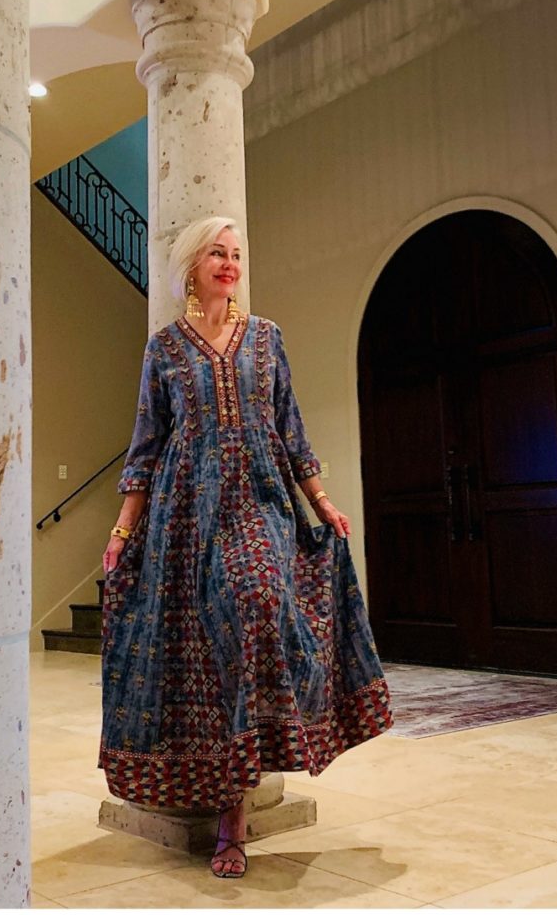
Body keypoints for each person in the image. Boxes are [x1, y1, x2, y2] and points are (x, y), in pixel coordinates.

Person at [99, 216, 393, 879]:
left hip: (260, 497)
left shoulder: (266, 340)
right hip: (186, 510)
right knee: (206, 648)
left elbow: (289, 426)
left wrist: (321, 501)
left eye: (236, 254)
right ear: (191, 267)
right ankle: (225, 816)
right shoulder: (165, 349)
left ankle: (239, 805)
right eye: (217, 253)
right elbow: (146, 444)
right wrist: (123, 528)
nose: (229, 264)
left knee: (258, 603)